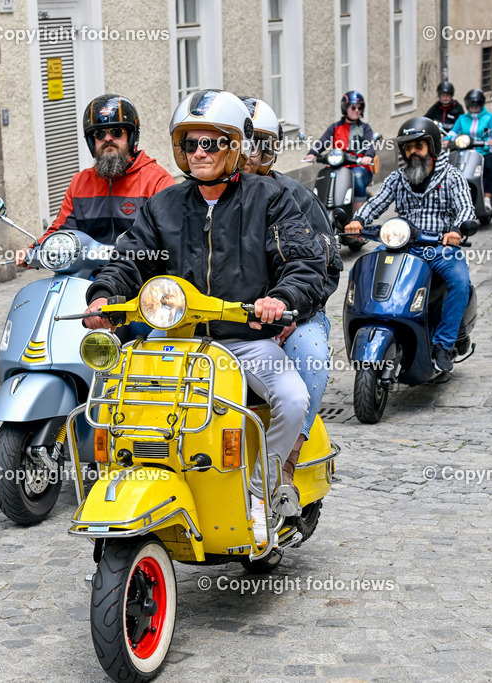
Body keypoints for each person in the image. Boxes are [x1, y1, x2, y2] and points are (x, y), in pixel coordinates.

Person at [84, 90, 326, 545]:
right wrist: (104, 296)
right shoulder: (164, 206)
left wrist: (281, 296)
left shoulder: (271, 200)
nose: (199, 152)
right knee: (120, 406)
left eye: (211, 143)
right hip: (174, 339)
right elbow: (130, 260)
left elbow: (304, 262)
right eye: (191, 143)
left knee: (293, 400)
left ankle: (260, 491)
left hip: (243, 339)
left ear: (234, 145)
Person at [240, 95, 342, 497]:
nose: (252, 156)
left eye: (262, 145)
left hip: (297, 314)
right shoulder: (210, 197)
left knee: (312, 353)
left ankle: (288, 457)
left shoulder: (297, 197)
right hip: (229, 317)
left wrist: (291, 312)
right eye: (245, 143)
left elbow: (326, 267)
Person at [343, 117, 475, 375]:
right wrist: (358, 220)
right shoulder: (397, 178)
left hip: (439, 246)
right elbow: (377, 202)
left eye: (419, 146)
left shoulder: (452, 176)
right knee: (362, 270)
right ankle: (370, 322)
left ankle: (443, 344)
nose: (413, 152)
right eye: (407, 147)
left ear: (432, 147)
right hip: (401, 245)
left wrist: (457, 229)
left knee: (459, 282)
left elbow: (465, 208)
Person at [19, 94, 174, 262]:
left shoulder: (157, 181)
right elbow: (60, 232)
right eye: (99, 134)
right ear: (92, 142)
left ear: (131, 137)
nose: (107, 139)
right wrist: (34, 251)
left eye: (116, 132)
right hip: (87, 276)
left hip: (138, 276)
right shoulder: (80, 183)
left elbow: (171, 239)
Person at [305, 91, 377, 212]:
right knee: (324, 178)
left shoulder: (365, 128)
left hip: (357, 165)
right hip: (337, 165)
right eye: (353, 107)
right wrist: (312, 153)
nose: (357, 110)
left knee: (358, 178)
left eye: (360, 108)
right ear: (345, 107)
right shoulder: (335, 127)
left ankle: (357, 219)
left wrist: (368, 156)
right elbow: (323, 141)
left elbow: (370, 144)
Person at [446, 89, 492, 210]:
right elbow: (453, 132)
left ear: (481, 104)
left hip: (484, 152)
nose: (473, 107)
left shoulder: (489, 117)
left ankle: (487, 197)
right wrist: (446, 140)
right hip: (464, 152)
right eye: (471, 104)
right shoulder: (462, 118)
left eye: (476, 104)